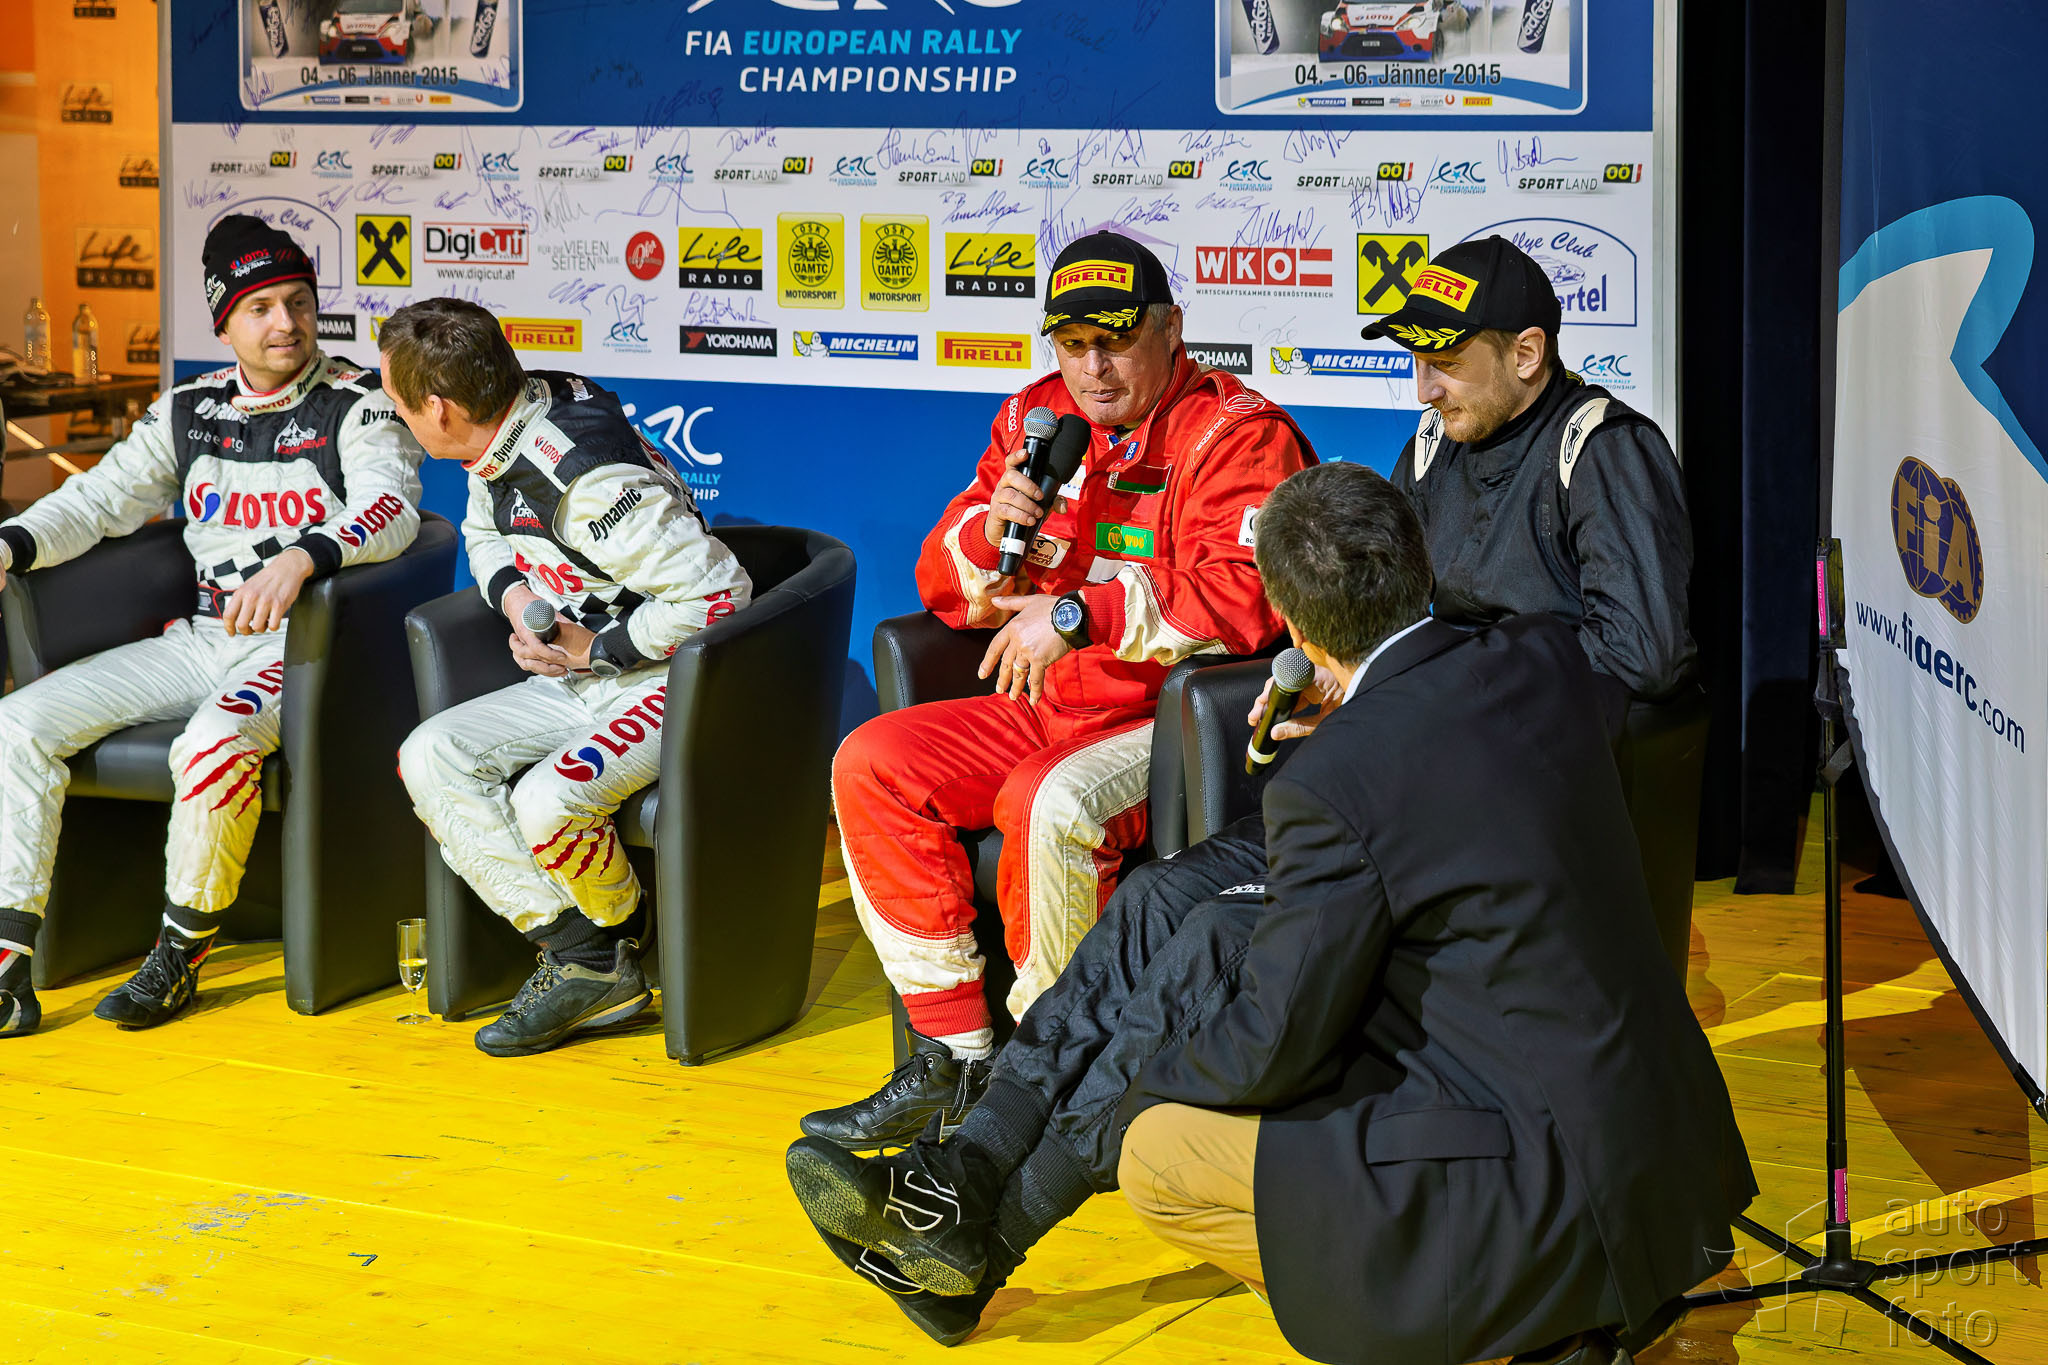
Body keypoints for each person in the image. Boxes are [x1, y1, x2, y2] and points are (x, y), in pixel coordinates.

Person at [786, 465, 1754, 1362]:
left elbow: (1271, 1043)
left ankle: (987, 1235)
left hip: (1535, 1187)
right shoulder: (1542, 658)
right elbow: (1443, 765)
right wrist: (1356, 711)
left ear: (1289, 623)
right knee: (1163, 897)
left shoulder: (1335, 778)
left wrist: (1135, 1077)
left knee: (1160, 1138)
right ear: (1418, 565)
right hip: (1652, 1133)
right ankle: (961, 1176)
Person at [803, 231, 1316, 1149]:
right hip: (1043, 703)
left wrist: (1079, 614)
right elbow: (943, 585)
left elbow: (1243, 602)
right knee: (869, 760)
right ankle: (955, 1057)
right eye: (1073, 344)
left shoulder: (1236, 432)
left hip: (1168, 719)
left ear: (1171, 329)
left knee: (1048, 802)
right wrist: (987, 533)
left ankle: (1050, 1078)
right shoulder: (1036, 417)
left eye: (1114, 341)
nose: (1093, 367)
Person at [0, 215, 424, 1035]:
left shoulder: (358, 402)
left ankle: (180, 950)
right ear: (224, 322)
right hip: (203, 636)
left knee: (212, 741)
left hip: (303, 645)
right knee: (16, 723)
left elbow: (392, 508)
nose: (286, 323)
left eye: (298, 301)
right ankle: (10, 961)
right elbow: (99, 500)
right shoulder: (188, 409)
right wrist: (12, 545)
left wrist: (304, 557)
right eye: (260, 307)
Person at [386, 298, 750, 1058]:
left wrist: (598, 650)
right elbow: (486, 529)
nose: (396, 414)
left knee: (547, 799)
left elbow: (721, 594)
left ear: (438, 408)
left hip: (666, 681)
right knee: (428, 755)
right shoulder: (504, 424)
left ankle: (616, 935)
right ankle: (585, 952)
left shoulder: (587, 484)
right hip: (579, 673)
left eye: (398, 401)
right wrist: (521, 605)